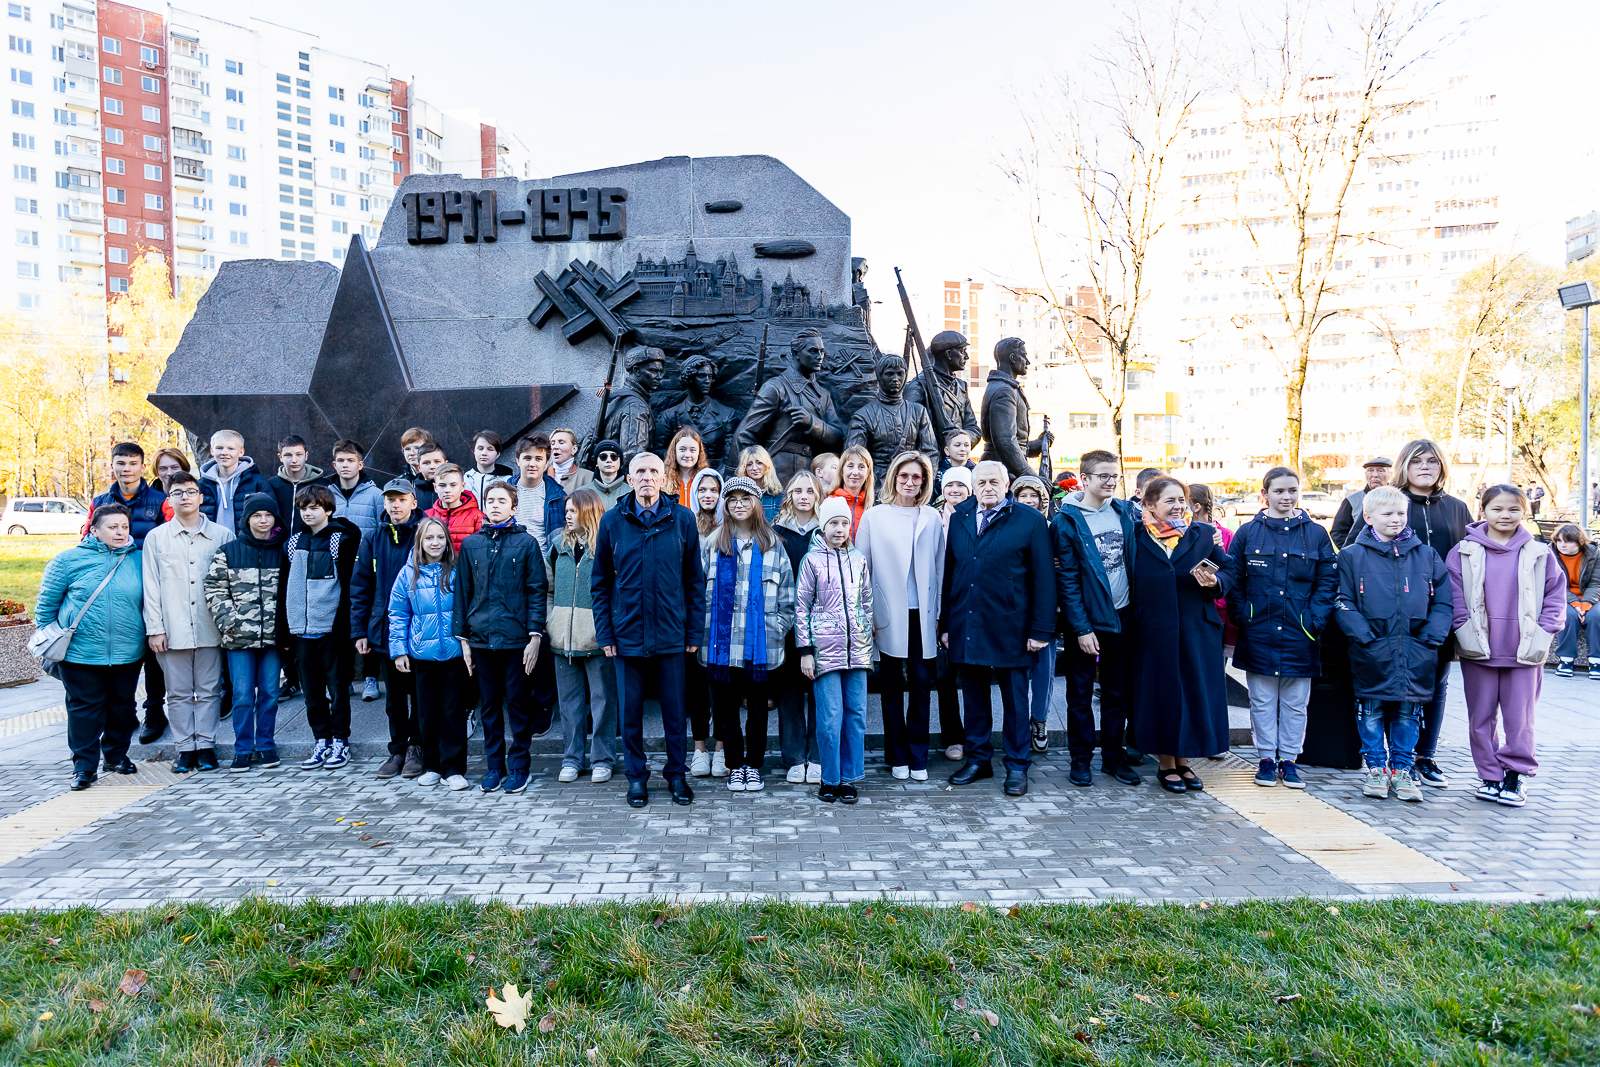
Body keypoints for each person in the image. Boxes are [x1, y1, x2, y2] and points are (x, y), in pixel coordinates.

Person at [1343, 439, 1472, 789]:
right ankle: (1380, 764)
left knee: (1431, 689)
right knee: (1381, 695)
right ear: (1405, 466)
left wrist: (1441, 625)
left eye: (1433, 461)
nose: (1426, 467)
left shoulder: (1457, 508)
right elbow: (1353, 553)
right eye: (1418, 462)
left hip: (1431, 623)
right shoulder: (1388, 500)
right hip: (1381, 626)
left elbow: (1471, 556)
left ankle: (1421, 757)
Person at [593, 451, 706, 808]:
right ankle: (637, 778)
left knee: (675, 712)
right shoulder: (612, 522)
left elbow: (694, 582)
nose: (646, 477)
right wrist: (606, 633)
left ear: (663, 478)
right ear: (629, 478)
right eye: (640, 471)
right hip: (626, 635)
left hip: (672, 634)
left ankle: (676, 775)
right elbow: (599, 584)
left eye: (653, 471)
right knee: (630, 713)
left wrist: (693, 634)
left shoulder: (682, 519)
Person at [1446, 485, 1565, 809]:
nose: (1505, 515)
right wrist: (1463, 629)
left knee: (1520, 719)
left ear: (1523, 512)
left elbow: (1556, 597)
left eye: (1513, 509)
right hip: (1480, 650)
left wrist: (1545, 631)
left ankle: (1515, 775)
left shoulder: (1540, 553)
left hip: (1524, 652)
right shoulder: (1463, 551)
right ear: (1482, 510)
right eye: (1497, 508)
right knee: (1480, 718)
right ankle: (1490, 775)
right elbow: (1454, 596)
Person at [941, 460, 1055, 796]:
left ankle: (1017, 765)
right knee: (974, 698)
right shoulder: (961, 517)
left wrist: (1041, 630)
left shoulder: (1030, 520)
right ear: (973, 486)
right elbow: (951, 573)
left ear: (1006, 485)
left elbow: (1044, 580)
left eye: (994, 481)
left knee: (1016, 702)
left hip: (1012, 626)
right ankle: (978, 759)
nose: (987, 488)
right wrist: (946, 625)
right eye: (981, 482)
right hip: (968, 623)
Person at [1335, 486, 1453, 803]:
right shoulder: (1351, 556)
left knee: (1408, 713)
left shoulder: (1426, 555)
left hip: (1417, 651)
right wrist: (1365, 637)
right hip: (1371, 650)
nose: (1396, 519)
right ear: (1369, 517)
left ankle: (1402, 770)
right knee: (1370, 710)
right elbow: (1343, 601)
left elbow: (1443, 602)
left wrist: (1431, 637)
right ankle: (1376, 768)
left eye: (1401, 513)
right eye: (1388, 514)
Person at [1225, 467, 1338, 789]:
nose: (1286, 497)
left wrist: (1315, 620)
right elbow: (1234, 578)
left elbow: (1328, 581)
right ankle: (1265, 759)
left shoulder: (1315, 533)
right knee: (1260, 702)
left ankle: (1289, 760)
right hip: (1258, 631)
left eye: (1292, 490)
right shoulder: (1249, 532)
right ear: (1266, 495)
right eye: (1279, 491)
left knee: (1294, 704)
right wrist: (1242, 615)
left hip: (1300, 633)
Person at [1128, 477, 1233, 794]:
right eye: (1169, 501)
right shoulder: (1135, 537)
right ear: (1149, 505)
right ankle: (1166, 764)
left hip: (1196, 630)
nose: (1177, 506)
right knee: (1161, 696)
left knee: (1191, 694)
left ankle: (1184, 761)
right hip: (1153, 630)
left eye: (1181, 500)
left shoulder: (1202, 535)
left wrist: (1215, 583)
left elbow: (1228, 570)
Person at [698, 476, 797, 793]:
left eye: (745, 499)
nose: (738, 504)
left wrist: (776, 629)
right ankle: (735, 765)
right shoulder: (713, 545)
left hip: (760, 645)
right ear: (725, 506)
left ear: (756, 503)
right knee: (725, 711)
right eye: (732, 499)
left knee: (757, 710)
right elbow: (697, 593)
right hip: (722, 646)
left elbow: (788, 599)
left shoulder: (773, 546)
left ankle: (753, 766)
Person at [37, 504, 145, 790]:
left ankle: (116, 756)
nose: (120, 532)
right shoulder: (68, 561)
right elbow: (46, 607)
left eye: (124, 526)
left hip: (127, 650)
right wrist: (49, 638)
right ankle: (84, 767)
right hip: (80, 653)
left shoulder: (139, 560)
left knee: (122, 707)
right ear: (94, 530)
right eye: (112, 527)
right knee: (84, 710)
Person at [1053, 450, 1141, 787]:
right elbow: (1068, 580)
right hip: (1088, 622)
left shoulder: (1124, 512)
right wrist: (1081, 628)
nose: (1110, 481)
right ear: (1085, 478)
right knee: (1079, 694)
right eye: (1103, 475)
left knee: (1118, 692)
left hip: (1123, 616)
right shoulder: (1068, 521)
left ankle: (1113, 758)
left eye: (1114, 475)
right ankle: (1081, 759)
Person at [855, 451, 943, 780]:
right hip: (887, 612)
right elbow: (861, 568)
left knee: (921, 682)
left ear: (924, 481)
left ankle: (918, 754)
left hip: (922, 611)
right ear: (894, 477)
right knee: (891, 683)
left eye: (916, 477)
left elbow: (939, 566)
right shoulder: (875, 516)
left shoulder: (931, 517)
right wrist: (866, 614)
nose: (909, 482)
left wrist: (939, 615)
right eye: (904, 476)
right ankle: (897, 755)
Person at [454, 481, 547, 794]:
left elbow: (536, 590)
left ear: (513, 506)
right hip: (480, 639)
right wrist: (463, 639)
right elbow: (462, 593)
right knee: (489, 705)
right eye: (490, 500)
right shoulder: (471, 545)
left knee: (519, 704)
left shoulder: (526, 544)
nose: (494, 505)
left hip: (516, 639)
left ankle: (520, 765)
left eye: (501, 501)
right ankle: (495, 765)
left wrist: (535, 635)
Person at [142, 471, 234, 773]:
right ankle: (185, 748)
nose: (185, 497)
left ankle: (206, 745)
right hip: (172, 628)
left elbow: (232, 582)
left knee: (209, 690)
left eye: (191, 492)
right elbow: (151, 586)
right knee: (178, 692)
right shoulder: (157, 538)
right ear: (170, 499)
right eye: (178, 492)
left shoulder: (222, 536)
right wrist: (155, 629)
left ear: (201, 497)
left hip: (210, 626)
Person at [86, 442, 168, 745]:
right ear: (112, 466)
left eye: (133, 463)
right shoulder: (100, 501)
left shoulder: (160, 501)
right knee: (121, 655)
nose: (126, 469)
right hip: (112, 589)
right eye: (120, 463)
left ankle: (155, 711)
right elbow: (86, 542)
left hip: (150, 586)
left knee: (153, 654)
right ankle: (124, 713)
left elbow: (170, 540)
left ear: (143, 467)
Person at [796, 496, 874, 803]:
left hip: (857, 652)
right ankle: (829, 778)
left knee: (855, 716)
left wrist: (867, 641)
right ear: (823, 525)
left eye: (844, 523)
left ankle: (850, 777)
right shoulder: (811, 560)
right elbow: (800, 608)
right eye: (833, 523)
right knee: (830, 718)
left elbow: (867, 603)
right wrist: (805, 650)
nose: (839, 529)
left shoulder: (858, 559)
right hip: (824, 652)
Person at [203, 493, 287, 772]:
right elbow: (215, 590)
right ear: (246, 519)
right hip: (238, 638)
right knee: (241, 694)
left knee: (270, 692)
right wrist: (231, 622)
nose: (263, 521)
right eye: (256, 516)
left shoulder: (285, 550)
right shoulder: (228, 551)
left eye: (268, 515)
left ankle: (265, 745)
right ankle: (242, 747)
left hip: (274, 638)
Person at [388, 515, 471, 791]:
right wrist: (399, 650)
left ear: (447, 541)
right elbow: (398, 614)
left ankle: (453, 768)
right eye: (429, 538)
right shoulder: (408, 574)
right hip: (422, 656)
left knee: (453, 712)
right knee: (427, 714)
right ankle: (432, 766)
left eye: (439, 537)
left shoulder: (457, 570)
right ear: (420, 542)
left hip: (453, 656)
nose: (435, 543)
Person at [284, 483, 362, 771]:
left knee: (338, 688)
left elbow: (354, 535)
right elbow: (287, 588)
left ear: (328, 509)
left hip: (331, 629)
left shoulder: (339, 539)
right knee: (312, 691)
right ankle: (322, 739)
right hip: (301, 631)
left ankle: (341, 740)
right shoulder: (292, 543)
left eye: (315, 507)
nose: (308, 513)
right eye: (304, 508)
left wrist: (333, 522)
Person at [545, 488, 618, 785]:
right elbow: (547, 589)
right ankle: (572, 758)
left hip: (597, 640)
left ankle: (602, 758)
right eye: (566, 511)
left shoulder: (606, 546)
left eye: (573, 511)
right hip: (562, 639)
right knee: (570, 704)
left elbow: (615, 592)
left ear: (588, 511)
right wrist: (552, 621)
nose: (567, 516)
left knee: (602, 701)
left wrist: (607, 630)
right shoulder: (556, 545)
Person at [351, 477, 422, 780]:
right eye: (390, 499)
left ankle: (418, 749)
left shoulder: (425, 533)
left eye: (401, 499)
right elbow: (360, 586)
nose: (395, 504)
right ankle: (398, 750)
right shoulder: (372, 538)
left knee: (419, 695)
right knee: (394, 698)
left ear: (413, 502)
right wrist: (360, 631)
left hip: (421, 629)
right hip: (384, 630)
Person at [732, 328, 847, 484]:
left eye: (822, 351)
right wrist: (743, 480)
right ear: (795, 353)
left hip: (812, 475)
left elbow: (838, 437)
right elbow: (744, 435)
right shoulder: (775, 388)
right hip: (778, 474)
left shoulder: (823, 395)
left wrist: (812, 423)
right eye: (812, 351)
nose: (819, 357)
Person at [773, 470, 824, 784]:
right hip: (788, 621)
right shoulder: (777, 533)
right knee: (790, 691)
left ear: (818, 495)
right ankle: (794, 757)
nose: (803, 496)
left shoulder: (826, 531)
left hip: (821, 623)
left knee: (820, 690)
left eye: (810, 491)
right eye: (798, 490)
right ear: (789, 495)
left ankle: (818, 755)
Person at [327, 439, 386, 703]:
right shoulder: (326, 493)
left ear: (360, 464)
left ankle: (371, 677)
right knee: (341, 622)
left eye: (351, 460)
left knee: (366, 619)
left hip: (366, 568)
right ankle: (346, 677)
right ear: (334, 464)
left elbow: (381, 528)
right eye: (341, 461)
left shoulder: (375, 494)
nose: (345, 465)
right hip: (335, 567)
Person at [1009, 474, 1056, 756]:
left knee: (1044, 672)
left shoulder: (1051, 527)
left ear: (1042, 501)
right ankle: (1018, 723)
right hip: (1015, 610)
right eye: (1022, 496)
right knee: (1017, 674)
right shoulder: (1008, 525)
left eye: (1033, 497)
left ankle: (1040, 719)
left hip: (1045, 611)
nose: (1028, 501)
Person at [686, 466, 726, 776]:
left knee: (721, 683)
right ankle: (699, 748)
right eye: (702, 490)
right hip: (693, 618)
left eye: (713, 490)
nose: (708, 495)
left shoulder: (730, 527)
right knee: (696, 685)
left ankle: (721, 748)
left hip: (723, 618)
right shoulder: (685, 524)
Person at [934, 465, 972, 760]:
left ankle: (975, 735)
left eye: (961, 486)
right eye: (950, 486)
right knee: (945, 677)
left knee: (972, 675)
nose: (955, 491)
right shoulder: (933, 518)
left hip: (969, 604)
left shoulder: (976, 518)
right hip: (939, 602)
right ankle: (953, 737)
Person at [978, 337, 1051, 481]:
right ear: (1012, 358)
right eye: (1024, 356)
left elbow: (1011, 442)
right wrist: (1029, 476)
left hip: (1004, 467)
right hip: (1001, 471)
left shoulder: (1007, 388)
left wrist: (1037, 445)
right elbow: (1004, 441)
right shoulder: (1004, 390)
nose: (1028, 362)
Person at [198, 429, 273, 536]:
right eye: (219, 448)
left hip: (245, 545)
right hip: (210, 544)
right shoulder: (201, 484)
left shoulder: (257, 482)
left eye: (231, 449)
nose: (224, 452)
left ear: (241, 452)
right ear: (212, 450)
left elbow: (272, 516)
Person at [1551, 523, 1600, 678]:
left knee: (1596, 616)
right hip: (1562, 596)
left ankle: (1596, 660)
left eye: (1568, 541)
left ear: (1579, 542)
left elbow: (1596, 583)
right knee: (1568, 616)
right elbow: (1555, 584)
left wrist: (1585, 604)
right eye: (1559, 541)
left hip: (1590, 596)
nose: (1562, 545)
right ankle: (1566, 660)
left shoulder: (1594, 554)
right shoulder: (1550, 555)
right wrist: (1575, 604)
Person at [511, 434, 567, 554]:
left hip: (543, 565)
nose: (532, 464)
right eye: (527, 458)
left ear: (546, 463)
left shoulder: (559, 497)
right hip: (510, 564)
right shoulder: (504, 493)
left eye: (538, 459)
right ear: (517, 460)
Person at [267, 434, 326, 538]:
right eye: (288, 455)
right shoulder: (270, 485)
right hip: (278, 546)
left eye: (299, 454)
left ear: (306, 455)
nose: (294, 460)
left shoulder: (322, 485)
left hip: (311, 545)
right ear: (280, 457)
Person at [1330, 457, 1392, 547]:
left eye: (1380, 471)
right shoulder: (1352, 500)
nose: (1375, 475)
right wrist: (1352, 552)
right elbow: (1338, 532)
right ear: (1366, 474)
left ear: (1390, 474)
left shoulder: (1400, 499)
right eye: (1370, 471)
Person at [426, 463, 484, 554]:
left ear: (462, 487)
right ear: (435, 487)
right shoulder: (426, 516)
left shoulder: (477, 517)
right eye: (442, 485)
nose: (447, 490)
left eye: (453, 485)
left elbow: (481, 551)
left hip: (464, 567)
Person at [825, 445, 874, 538]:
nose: (855, 472)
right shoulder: (828, 503)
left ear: (868, 473)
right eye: (850, 466)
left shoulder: (872, 510)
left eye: (861, 467)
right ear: (842, 471)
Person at [463, 430, 515, 504]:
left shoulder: (506, 479)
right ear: (474, 451)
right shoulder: (467, 478)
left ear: (498, 454)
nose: (484, 453)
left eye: (490, 449)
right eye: (480, 449)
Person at [664, 427, 709, 509]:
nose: (687, 455)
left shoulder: (706, 480)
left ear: (699, 453)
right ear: (674, 452)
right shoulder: (664, 480)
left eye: (692, 450)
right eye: (682, 449)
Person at [737, 445, 785, 521]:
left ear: (767, 465)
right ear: (744, 468)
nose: (754, 468)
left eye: (759, 463)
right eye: (749, 464)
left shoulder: (779, 495)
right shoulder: (738, 494)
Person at [547, 428, 594, 493]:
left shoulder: (588, 477)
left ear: (574, 449)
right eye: (552, 443)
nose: (555, 447)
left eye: (561, 443)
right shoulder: (540, 476)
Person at [590, 440, 630, 510]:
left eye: (614, 456)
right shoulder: (583, 492)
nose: (609, 460)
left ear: (620, 462)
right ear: (596, 462)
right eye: (603, 456)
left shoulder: (631, 493)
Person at [412, 441, 448, 512]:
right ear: (419, 467)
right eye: (427, 463)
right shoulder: (412, 492)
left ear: (446, 464)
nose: (432, 467)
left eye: (437, 462)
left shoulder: (453, 490)